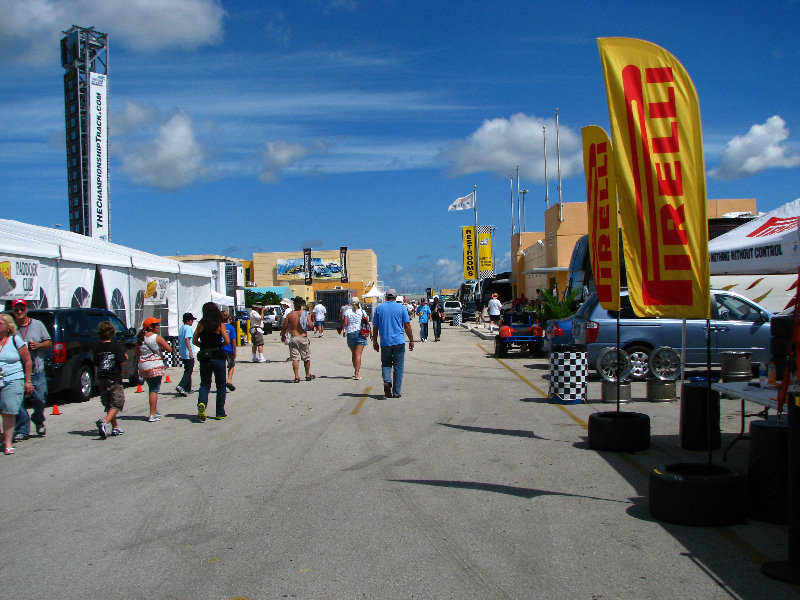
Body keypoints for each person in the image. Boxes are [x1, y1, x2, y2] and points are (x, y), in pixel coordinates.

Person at [10, 299, 51, 442]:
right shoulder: (11, 328)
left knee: (40, 399)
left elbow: (49, 342)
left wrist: (39, 345)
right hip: (17, 372)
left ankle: (38, 419)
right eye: (16, 310)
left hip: (37, 370)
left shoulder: (37, 324)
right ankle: (22, 429)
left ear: (27, 310)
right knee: (17, 402)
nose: (19, 312)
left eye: (22, 309)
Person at [0, 313, 33, 454]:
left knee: (8, 411)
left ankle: (7, 443)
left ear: (8, 327)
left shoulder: (15, 340)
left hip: (13, 378)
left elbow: (27, 361)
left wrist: (28, 381)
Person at [372, 289, 414, 398]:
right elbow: (407, 325)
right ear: (396, 297)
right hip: (399, 341)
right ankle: (396, 392)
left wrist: (375, 341)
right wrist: (411, 340)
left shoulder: (379, 309)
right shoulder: (401, 308)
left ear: (386, 297)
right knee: (398, 367)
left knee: (386, 364)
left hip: (385, 342)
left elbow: (375, 326)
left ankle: (387, 380)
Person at [194, 302, 230, 421]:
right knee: (220, 385)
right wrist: (219, 345)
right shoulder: (219, 324)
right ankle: (220, 412)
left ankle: (202, 403)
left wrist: (203, 346)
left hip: (205, 356)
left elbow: (194, 340)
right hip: (217, 355)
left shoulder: (201, 324)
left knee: (205, 383)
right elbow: (227, 340)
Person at [94, 321, 127, 439]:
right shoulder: (116, 346)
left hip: (102, 378)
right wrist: (125, 357)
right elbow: (122, 361)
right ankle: (105, 422)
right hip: (114, 378)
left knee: (109, 403)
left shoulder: (97, 347)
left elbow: (96, 363)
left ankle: (115, 427)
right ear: (112, 333)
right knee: (118, 402)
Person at [281, 297, 315, 383]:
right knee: (306, 357)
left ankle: (296, 376)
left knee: (295, 358)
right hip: (302, 337)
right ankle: (307, 374)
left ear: (295, 304)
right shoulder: (305, 314)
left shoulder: (290, 315)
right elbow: (311, 325)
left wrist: (283, 335)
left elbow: (284, 326)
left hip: (293, 337)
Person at [342, 296, 368, 380]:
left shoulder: (347, 312)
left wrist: (344, 330)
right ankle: (357, 373)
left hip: (350, 333)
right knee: (358, 354)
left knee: (353, 354)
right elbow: (366, 322)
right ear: (358, 303)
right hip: (360, 332)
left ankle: (355, 371)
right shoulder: (362, 312)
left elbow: (345, 323)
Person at [175, 312, 196, 397]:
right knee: (188, 371)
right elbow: (187, 339)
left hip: (183, 352)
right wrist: (190, 351)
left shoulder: (181, 328)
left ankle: (188, 388)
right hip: (187, 353)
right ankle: (181, 385)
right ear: (188, 320)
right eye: (191, 320)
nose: (192, 322)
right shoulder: (188, 328)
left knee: (188, 369)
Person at [221, 311, 237, 391]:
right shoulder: (231, 328)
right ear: (228, 319)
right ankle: (229, 380)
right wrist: (235, 350)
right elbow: (233, 340)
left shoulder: (218, 327)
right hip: (229, 348)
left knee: (221, 365)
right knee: (231, 365)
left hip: (220, 349)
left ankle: (222, 381)